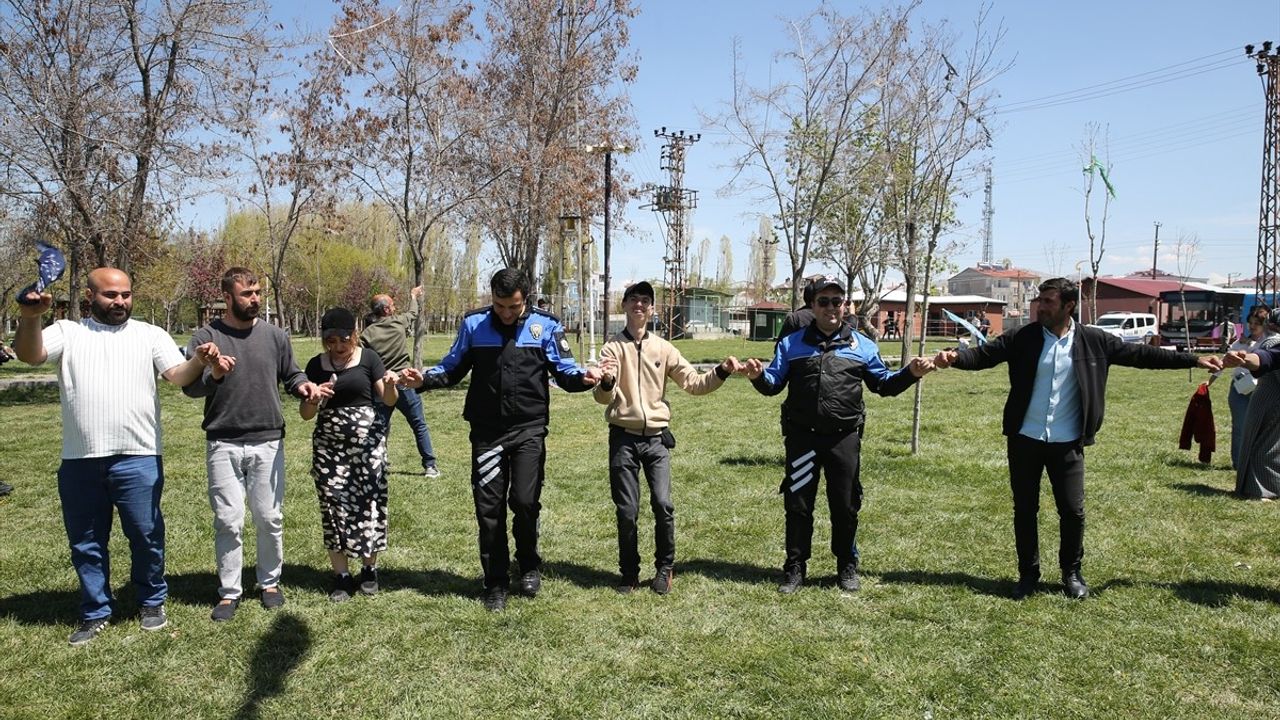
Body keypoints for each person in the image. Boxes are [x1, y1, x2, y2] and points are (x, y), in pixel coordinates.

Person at [934, 278, 1222, 600]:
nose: (1040, 307)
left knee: (1072, 511)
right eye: (1039, 301)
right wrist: (956, 359)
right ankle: (1028, 575)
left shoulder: (1093, 341)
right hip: (1025, 438)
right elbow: (984, 355)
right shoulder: (1023, 337)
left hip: (1068, 442)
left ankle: (1071, 572)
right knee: (1025, 509)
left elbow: (1143, 355)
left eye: (1048, 302)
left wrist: (1193, 360)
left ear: (1069, 306)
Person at [15, 267, 220, 646]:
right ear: (91, 296)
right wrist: (31, 318)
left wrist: (200, 362)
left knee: (145, 535)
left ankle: (151, 600)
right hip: (80, 459)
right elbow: (30, 355)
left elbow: (177, 375)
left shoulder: (149, 334)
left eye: (125, 294)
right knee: (87, 541)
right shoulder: (68, 332)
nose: (120, 302)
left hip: (138, 456)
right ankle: (95, 611)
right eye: (111, 295)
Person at [400, 269, 611, 611]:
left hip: (529, 430)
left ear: (525, 299)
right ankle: (495, 581)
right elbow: (452, 369)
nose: (506, 313)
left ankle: (528, 564)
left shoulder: (547, 326)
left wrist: (586, 378)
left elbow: (566, 372)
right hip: (487, 433)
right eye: (499, 306)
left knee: (525, 502)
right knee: (489, 510)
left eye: (513, 307)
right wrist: (422, 379)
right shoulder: (473, 325)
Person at [743, 278, 933, 595]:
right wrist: (757, 376)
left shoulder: (863, 346)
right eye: (824, 301)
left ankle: (846, 565)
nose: (831, 307)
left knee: (845, 506)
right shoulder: (792, 344)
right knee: (798, 505)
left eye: (837, 301)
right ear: (812, 306)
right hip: (803, 438)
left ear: (845, 306)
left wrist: (911, 373)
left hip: (843, 438)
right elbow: (773, 384)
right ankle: (794, 568)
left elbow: (883, 385)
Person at [183, 267, 320, 621]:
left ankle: (270, 583)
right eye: (247, 294)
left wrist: (303, 386)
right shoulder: (206, 337)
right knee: (228, 520)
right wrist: (213, 370)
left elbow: (292, 374)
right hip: (223, 440)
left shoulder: (275, 335)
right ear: (227, 298)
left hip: (268, 440)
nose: (255, 299)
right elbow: (190, 388)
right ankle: (229, 592)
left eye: (258, 292)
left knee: (269, 517)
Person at [594, 280, 742, 595]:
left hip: (657, 440)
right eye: (633, 299)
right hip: (623, 438)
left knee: (663, 504)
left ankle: (665, 568)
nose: (639, 305)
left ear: (652, 309)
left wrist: (722, 371)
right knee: (627, 510)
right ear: (624, 306)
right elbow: (602, 398)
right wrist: (606, 383)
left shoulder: (664, 348)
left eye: (645, 300)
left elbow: (694, 383)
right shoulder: (611, 348)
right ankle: (629, 574)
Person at [300, 307, 399, 602]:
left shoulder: (369, 359)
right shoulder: (316, 365)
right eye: (331, 341)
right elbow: (306, 414)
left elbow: (387, 398)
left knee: (369, 502)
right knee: (333, 506)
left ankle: (369, 569)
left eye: (344, 340)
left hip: (367, 446)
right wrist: (314, 398)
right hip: (329, 449)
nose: (338, 347)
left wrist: (392, 386)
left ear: (354, 335)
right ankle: (341, 574)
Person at [360, 285, 440, 478]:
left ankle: (375, 464)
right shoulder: (399, 322)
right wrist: (413, 296)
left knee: (378, 427)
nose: (395, 308)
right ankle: (430, 466)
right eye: (393, 305)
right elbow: (413, 312)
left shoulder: (367, 334)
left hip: (383, 386)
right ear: (386, 310)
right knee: (418, 425)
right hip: (405, 383)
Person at [1225, 323, 1280, 499]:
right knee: (1262, 445)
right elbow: (1265, 358)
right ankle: (1257, 490)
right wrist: (1244, 360)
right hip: (1271, 399)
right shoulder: (1273, 341)